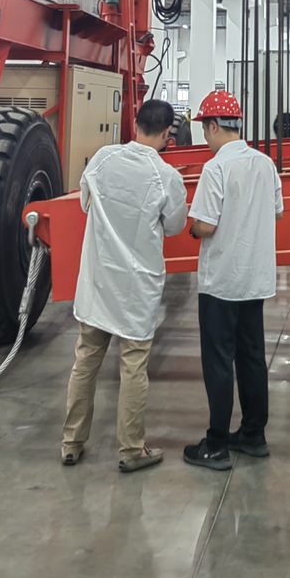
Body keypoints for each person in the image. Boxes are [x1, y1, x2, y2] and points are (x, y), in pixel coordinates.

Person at [61, 98, 188, 473]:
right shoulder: (166, 177)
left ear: (135, 123)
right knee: (133, 366)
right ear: (167, 134)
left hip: (99, 280)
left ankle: (71, 442)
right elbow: (175, 226)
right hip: (136, 287)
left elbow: (85, 203)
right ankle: (131, 450)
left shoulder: (103, 159)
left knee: (86, 360)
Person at [183, 89, 283, 470]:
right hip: (254, 279)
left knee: (219, 363)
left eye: (204, 130)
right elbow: (277, 211)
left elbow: (205, 225)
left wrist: (192, 227)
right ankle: (254, 434)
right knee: (252, 357)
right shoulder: (265, 164)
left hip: (222, 282)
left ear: (213, 126)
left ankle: (217, 444)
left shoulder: (216, 168)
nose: (205, 138)